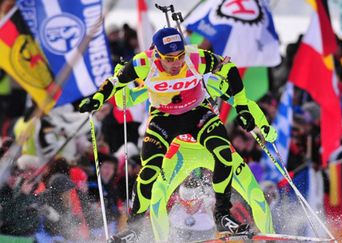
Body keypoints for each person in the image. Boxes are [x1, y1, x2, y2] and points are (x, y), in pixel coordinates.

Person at [79, 27, 277, 238]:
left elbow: (243, 100)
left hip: (206, 137)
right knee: (156, 195)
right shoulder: (146, 72)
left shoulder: (204, 74)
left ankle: (266, 235)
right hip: (179, 150)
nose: (176, 64)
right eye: (169, 58)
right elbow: (122, 101)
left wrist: (265, 129)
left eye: (180, 57)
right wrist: (102, 96)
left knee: (255, 193)